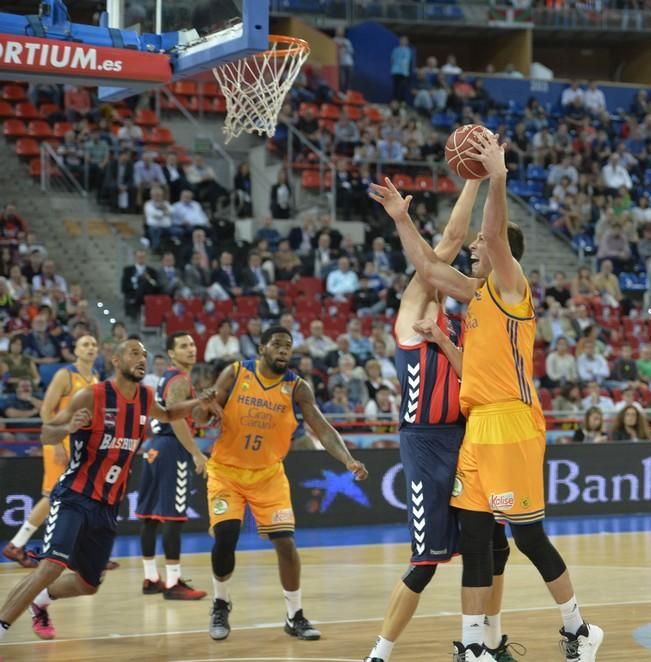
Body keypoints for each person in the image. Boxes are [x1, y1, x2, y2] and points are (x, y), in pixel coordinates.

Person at [369, 132, 602, 661]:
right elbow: (429, 269)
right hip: (477, 430)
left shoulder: (511, 288)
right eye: (473, 248)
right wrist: (402, 220)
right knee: (475, 536)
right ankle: (475, 646)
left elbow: (492, 234)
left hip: (513, 424)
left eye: (479, 248)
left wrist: (495, 175)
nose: (473, 248)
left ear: (500, 257)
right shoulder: (474, 300)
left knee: (528, 538)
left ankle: (578, 630)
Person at [365, 179, 517, 662]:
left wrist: (475, 178)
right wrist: (408, 216)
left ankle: (488, 644)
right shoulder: (412, 313)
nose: (443, 266)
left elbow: (451, 249)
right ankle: (380, 652)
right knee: (426, 561)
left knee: (495, 549)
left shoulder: (465, 317)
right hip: (426, 444)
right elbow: (447, 243)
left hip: (467, 440)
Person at [0, 339, 218, 642]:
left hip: (107, 506)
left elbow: (168, 415)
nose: (141, 358)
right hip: (74, 496)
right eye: (134, 353)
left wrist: (198, 403)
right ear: (116, 361)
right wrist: (67, 428)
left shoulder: (145, 397)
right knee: (51, 566)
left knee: (89, 584)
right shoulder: (92, 395)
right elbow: (47, 433)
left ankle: (41, 600)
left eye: (144, 354)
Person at [194, 325, 368, 642]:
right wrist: (204, 406)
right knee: (226, 537)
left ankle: (294, 615)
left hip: (268, 476)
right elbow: (202, 418)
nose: (284, 350)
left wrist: (348, 459)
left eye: (288, 345)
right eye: (277, 344)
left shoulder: (297, 387)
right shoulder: (235, 373)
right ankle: (221, 602)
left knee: (286, 544)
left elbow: (323, 428)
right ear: (261, 348)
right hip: (226, 473)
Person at [2, 336, 114, 569]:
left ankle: (83, 552)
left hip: (80, 445)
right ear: (75, 350)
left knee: (80, 497)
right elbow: (46, 411)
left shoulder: (94, 378)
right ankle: (17, 544)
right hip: (60, 442)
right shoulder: (65, 375)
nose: (91, 348)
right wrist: (58, 443)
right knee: (52, 495)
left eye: (94, 344)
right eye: (85, 344)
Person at [136, 333, 209, 600]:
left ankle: (150, 577)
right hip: (172, 448)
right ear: (171, 353)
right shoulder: (178, 379)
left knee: (149, 517)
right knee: (172, 517)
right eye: (183, 346)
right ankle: (173, 583)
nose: (190, 349)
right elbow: (177, 419)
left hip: (154, 448)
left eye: (192, 344)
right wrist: (196, 454)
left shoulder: (166, 378)